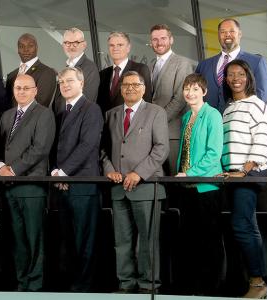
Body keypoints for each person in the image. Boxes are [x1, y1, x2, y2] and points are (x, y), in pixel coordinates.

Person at [101, 71, 168, 293]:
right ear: (120, 89)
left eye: (135, 84)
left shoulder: (156, 112)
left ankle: (148, 287)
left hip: (146, 187)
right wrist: (110, 170)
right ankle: (126, 284)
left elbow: (161, 149)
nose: (130, 88)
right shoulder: (111, 114)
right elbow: (102, 150)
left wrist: (138, 173)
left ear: (143, 88)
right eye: (125, 85)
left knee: (148, 242)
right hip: (118, 188)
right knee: (122, 242)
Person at [0, 74, 55, 292]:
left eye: (26, 88)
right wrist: (1, 166)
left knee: (34, 238)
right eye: (18, 88)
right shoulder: (7, 116)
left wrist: (14, 169)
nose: (21, 91)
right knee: (18, 240)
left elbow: (40, 149)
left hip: (31, 186)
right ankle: (22, 283)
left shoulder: (44, 114)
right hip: (9, 188)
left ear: (35, 90)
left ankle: (35, 285)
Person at [217, 59, 267, 299]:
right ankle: (255, 282)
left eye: (240, 74)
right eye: (230, 74)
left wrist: (246, 169)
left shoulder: (256, 104)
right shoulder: (228, 108)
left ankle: (258, 284)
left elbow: (262, 140)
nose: (235, 78)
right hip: (230, 175)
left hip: (246, 175)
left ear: (248, 77)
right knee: (246, 226)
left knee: (242, 226)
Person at [50, 67, 103, 292]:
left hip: (82, 185)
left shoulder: (92, 109)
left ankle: (84, 286)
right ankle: (70, 283)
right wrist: (57, 171)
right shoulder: (61, 112)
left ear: (82, 84)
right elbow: (56, 147)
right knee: (67, 239)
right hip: (63, 185)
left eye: (69, 81)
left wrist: (63, 172)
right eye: (61, 81)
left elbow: (87, 145)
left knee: (84, 240)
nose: (65, 85)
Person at [174, 73, 224, 295]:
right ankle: (194, 286)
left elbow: (214, 154)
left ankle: (211, 288)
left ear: (204, 92)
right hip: (187, 187)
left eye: (195, 89)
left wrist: (190, 174)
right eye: (187, 88)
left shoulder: (212, 115)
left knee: (209, 240)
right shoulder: (186, 117)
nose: (190, 93)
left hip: (206, 187)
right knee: (190, 239)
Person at [194, 18, 267, 113]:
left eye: (232, 31)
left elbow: (261, 96)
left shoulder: (256, 62)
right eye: (223, 32)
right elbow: (195, 94)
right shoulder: (203, 65)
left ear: (240, 34)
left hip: (240, 123)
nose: (227, 35)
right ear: (218, 35)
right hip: (208, 123)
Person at [148, 24, 195, 175]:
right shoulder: (150, 65)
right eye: (155, 39)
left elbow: (180, 99)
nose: (159, 42)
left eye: (163, 38)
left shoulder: (182, 63)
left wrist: (156, 121)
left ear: (171, 40)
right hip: (151, 134)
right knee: (157, 179)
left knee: (175, 179)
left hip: (172, 134)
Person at [97, 32, 153, 114]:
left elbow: (147, 101)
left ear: (128, 48)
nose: (115, 48)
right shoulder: (102, 74)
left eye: (120, 45)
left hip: (131, 122)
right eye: (111, 45)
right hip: (106, 124)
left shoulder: (141, 69)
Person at [5, 33, 57, 107]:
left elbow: (41, 104)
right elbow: (7, 104)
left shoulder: (47, 72)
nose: (26, 50)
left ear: (36, 48)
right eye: (21, 46)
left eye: (30, 46)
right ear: (18, 50)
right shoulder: (11, 75)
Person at [57, 27, 99, 105]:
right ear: (63, 45)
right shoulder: (68, 66)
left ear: (84, 45)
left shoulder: (90, 68)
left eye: (75, 43)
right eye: (67, 43)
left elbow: (86, 101)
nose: (71, 47)